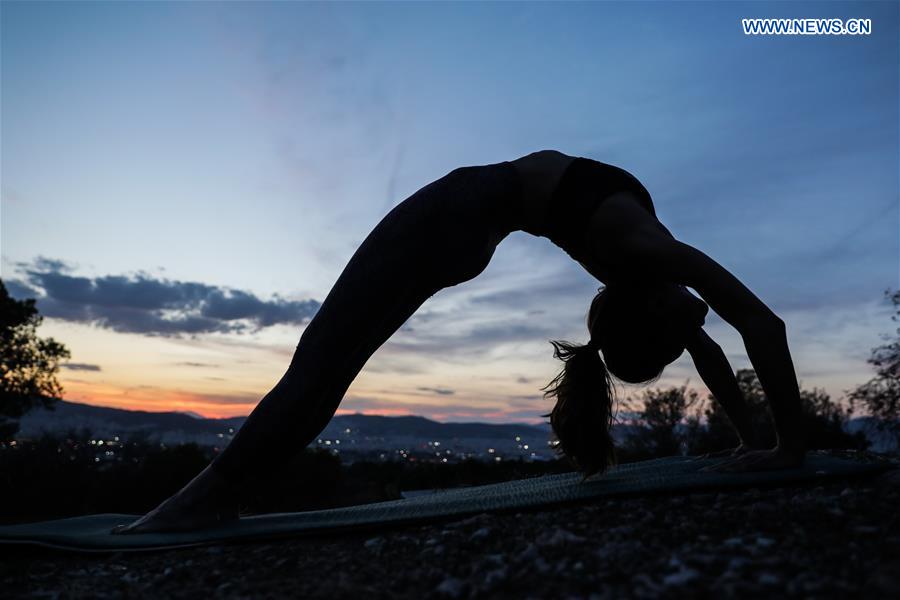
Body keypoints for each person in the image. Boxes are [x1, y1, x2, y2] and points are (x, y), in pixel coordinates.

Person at [112, 149, 806, 533]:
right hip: (465, 221)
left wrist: (760, 443)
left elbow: (715, 342)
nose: (698, 321)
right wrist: (785, 447)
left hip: (461, 212)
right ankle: (219, 492)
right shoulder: (645, 255)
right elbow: (745, 330)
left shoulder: (643, 265)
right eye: (687, 327)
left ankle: (208, 497)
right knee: (327, 364)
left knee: (325, 359)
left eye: (685, 329)